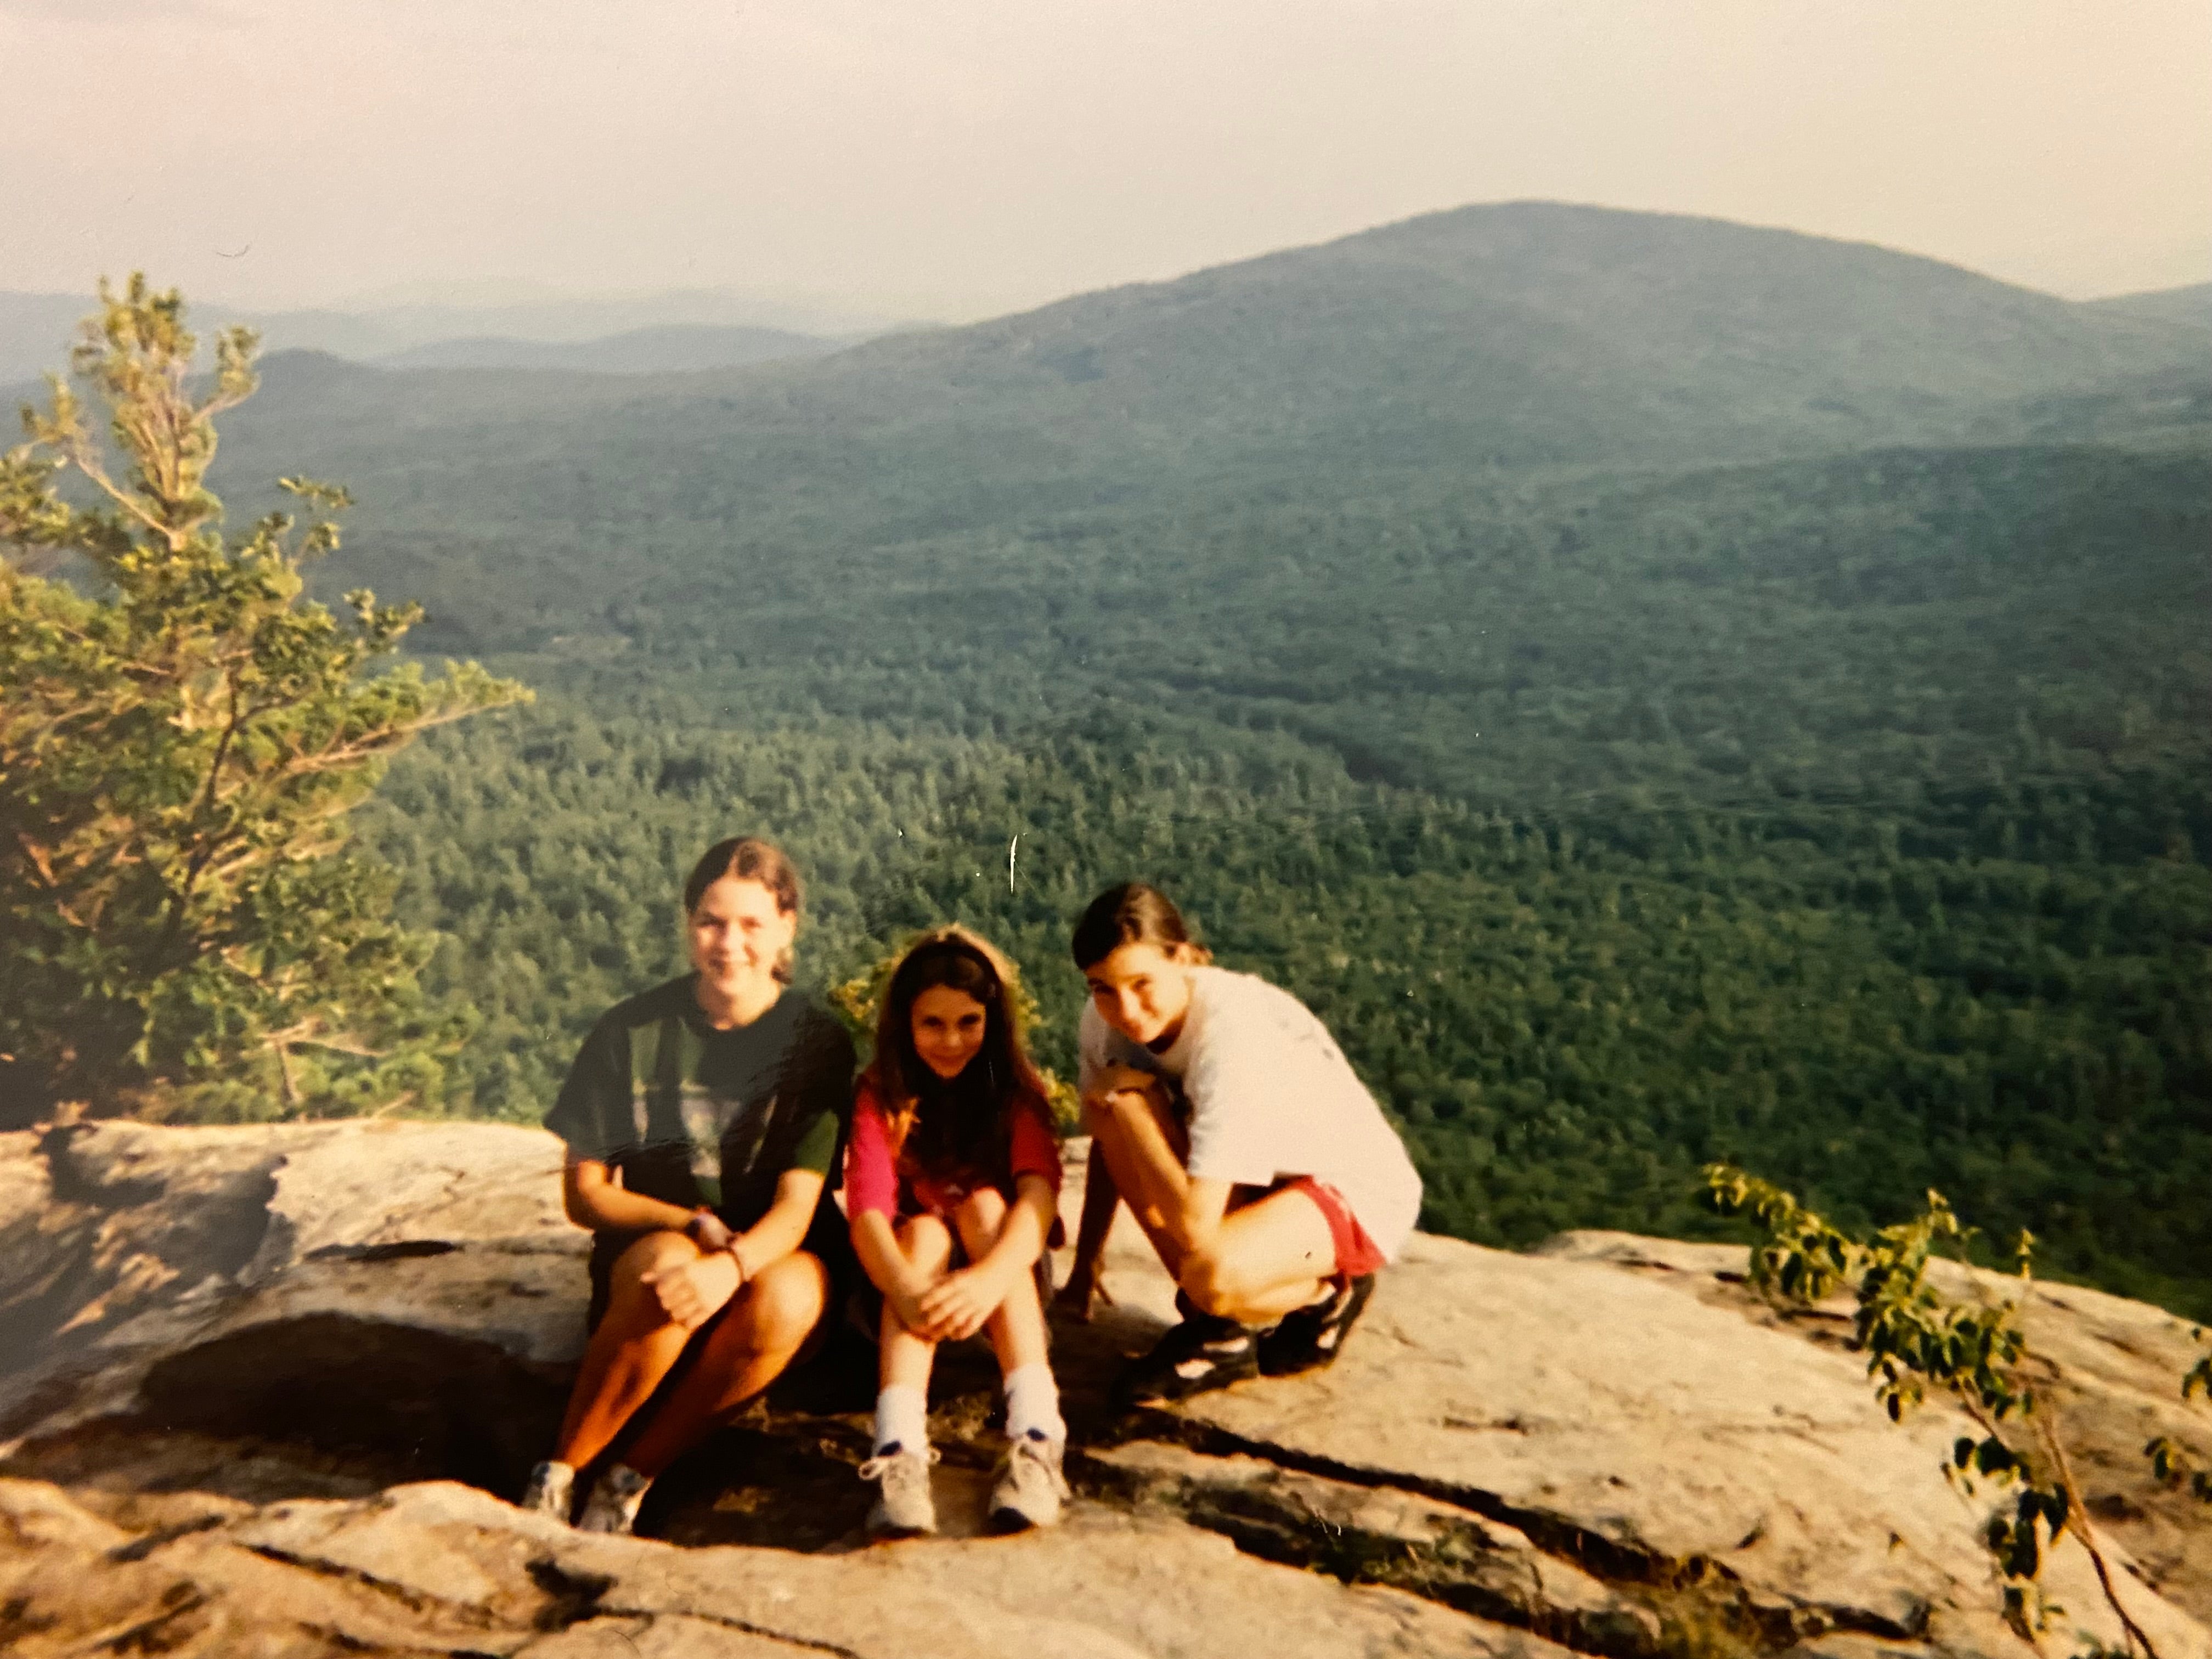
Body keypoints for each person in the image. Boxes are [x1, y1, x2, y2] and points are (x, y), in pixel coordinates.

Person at [520, 836, 856, 1534]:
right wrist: (690, 1223)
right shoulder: (631, 1031)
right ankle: (558, 1478)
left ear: (787, 926)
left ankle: (631, 1477)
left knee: (786, 1299)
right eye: (710, 921)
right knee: (667, 1272)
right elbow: (586, 1196)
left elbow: (798, 1207)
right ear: (687, 923)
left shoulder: (817, 1042)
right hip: (663, 1246)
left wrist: (730, 1267)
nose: (728, 943)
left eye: (752, 924)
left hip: (770, 1257)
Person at [1056, 882, 1422, 1406]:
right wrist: (1085, 1265)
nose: (1128, 1010)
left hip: (1349, 1188)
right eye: (1103, 988)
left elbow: (1194, 1228)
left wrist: (1137, 1112)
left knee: (1209, 1273)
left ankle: (1329, 1294)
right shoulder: (1104, 1023)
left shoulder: (1231, 1035)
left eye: (1142, 983)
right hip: (1259, 1181)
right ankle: (1219, 1333)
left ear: (1182, 958)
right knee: (1112, 1106)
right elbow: (1105, 1144)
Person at [844, 928, 1070, 1536]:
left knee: (988, 1206)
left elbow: (1039, 1196)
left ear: (991, 1023)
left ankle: (1038, 1433)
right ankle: (898, 1448)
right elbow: (866, 1212)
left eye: (968, 1022)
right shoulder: (880, 1095)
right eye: (932, 1024)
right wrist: (908, 1290)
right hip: (902, 1289)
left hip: (1001, 1280)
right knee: (921, 1234)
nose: (950, 1041)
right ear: (905, 1023)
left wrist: (988, 1281)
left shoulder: (1014, 1092)